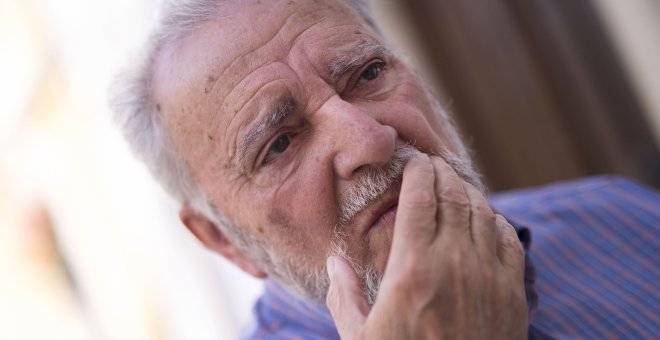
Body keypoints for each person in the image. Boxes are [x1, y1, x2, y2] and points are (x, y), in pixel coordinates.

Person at [112, 0, 660, 338]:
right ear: (223, 241)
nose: (369, 141)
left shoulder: (622, 218)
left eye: (368, 73)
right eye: (279, 145)